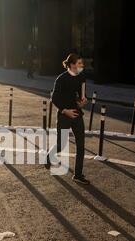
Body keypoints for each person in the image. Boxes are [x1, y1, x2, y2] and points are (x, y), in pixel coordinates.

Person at [46, 53, 89, 185]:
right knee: (61, 144)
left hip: (76, 114)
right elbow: (54, 98)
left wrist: (83, 102)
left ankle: (78, 174)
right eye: (79, 63)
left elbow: (81, 97)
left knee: (81, 145)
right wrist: (65, 111)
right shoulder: (61, 79)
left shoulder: (81, 78)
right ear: (71, 65)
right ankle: (49, 156)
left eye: (82, 63)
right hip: (64, 115)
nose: (82, 66)